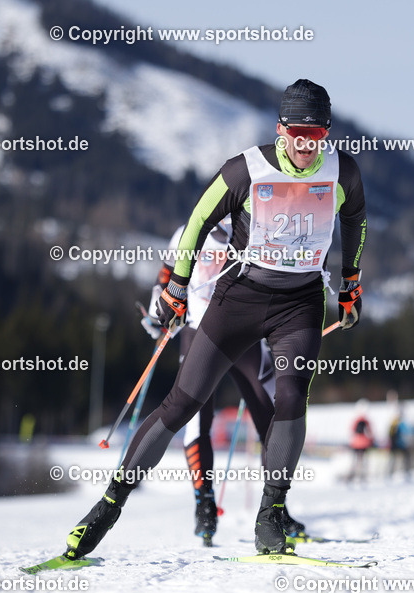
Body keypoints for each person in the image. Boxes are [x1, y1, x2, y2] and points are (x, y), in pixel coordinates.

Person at [63, 78, 368, 559]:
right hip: (240, 300)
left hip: (301, 303)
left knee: (290, 397)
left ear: (326, 133)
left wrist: (350, 283)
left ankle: (271, 515)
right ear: (280, 130)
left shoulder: (342, 171)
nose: (306, 145)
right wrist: (176, 288)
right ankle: (109, 504)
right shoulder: (245, 170)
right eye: (297, 134)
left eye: (316, 135)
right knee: (182, 404)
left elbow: (355, 220)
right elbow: (196, 223)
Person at [142, 219, 277, 546]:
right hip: (198, 332)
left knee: (273, 419)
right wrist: (157, 313)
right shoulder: (186, 232)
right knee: (194, 419)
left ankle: (275, 509)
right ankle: (204, 504)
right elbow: (166, 276)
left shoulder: (256, 226)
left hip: (244, 335)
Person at [347, 400, 374, 483]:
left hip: (356, 444)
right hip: (365, 444)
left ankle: (352, 476)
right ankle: (362, 476)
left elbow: (351, 431)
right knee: (363, 461)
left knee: (355, 461)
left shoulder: (356, 420)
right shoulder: (366, 421)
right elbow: (370, 433)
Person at [387, 409, 413, 480]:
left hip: (393, 445)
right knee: (406, 457)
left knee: (393, 459)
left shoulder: (392, 423)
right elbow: (408, 431)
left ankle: (390, 473)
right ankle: (407, 473)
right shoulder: (401, 424)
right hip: (400, 444)